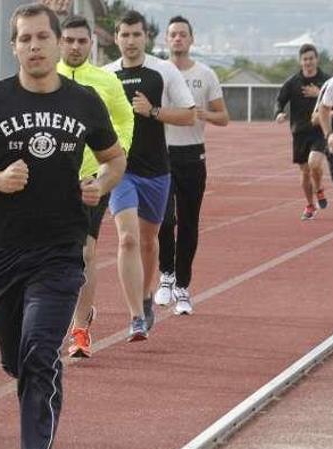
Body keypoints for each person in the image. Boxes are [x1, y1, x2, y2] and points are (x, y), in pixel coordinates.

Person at [0, 4, 126, 449]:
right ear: (14, 46)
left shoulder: (84, 101)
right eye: (25, 39)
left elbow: (114, 158)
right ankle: (28, 382)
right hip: (1, 251)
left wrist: (101, 183)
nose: (35, 46)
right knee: (17, 360)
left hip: (62, 249)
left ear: (59, 42)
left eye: (43, 37)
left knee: (41, 355)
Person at [104, 10, 195, 341]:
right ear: (116, 38)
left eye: (136, 35)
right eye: (124, 35)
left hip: (156, 170)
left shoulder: (163, 70)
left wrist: (153, 111)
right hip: (119, 170)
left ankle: (145, 298)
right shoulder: (105, 76)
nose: (130, 41)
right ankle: (135, 317)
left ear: (146, 37)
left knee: (148, 241)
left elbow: (188, 116)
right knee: (126, 238)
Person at [56, 14, 134, 358]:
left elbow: (125, 118)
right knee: (50, 253)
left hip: (91, 179)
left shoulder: (104, 81)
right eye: (69, 40)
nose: (75, 47)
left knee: (85, 252)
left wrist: (119, 153)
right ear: (59, 42)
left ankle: (81, 329)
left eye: (81, 41)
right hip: (49, 178)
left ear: (91, 44)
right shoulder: (46, 78)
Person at [154, 15, 229, 316]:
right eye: (172, 34)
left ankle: (183, 286)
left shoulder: (206, 74)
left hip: (193, 155)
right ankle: (166, 274)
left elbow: (223, 117)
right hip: (162, 153)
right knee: (164, 219)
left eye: (182, 34)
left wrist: (201, 113)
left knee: (188, 223)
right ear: (166, 39)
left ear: (191, 39)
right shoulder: (158, 73)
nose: (177, 39)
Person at [275, 43, 331, 220]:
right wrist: (279, 113)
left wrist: (319, 94)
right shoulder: (292, 82)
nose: (308, 62)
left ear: (317, 59)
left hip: (320, 130)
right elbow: (279, 100)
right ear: (300, 61)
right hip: (299, 132)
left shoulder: (327, 81)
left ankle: (319, 188)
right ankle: (310, 205)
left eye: (311, 58)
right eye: (305, 59)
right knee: (305, 171)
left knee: (314, 163)